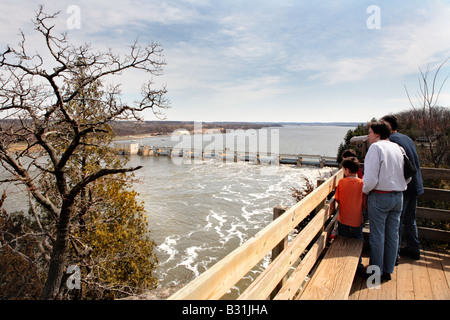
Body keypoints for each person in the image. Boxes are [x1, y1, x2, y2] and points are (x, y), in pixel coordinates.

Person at [362, 120, 409, 281]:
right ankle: (388, 270)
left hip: (380, 196)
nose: (368, 135)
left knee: (377, 236)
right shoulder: (398, 148)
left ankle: (375, 274)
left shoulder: (376, 148)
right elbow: (408, 174)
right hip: (398, 196)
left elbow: (370, 178)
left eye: (370, 132)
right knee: (392, 235)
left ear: (377, 134)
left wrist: (364, 190)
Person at [381, 115, 424, 260]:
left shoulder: (392, 141)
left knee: (396, 221)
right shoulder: (406, 138)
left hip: (404, 186)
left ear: (388, 126)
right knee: (410, 219)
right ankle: (414, 249)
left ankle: (395, 255)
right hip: (415, 184)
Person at [335, 157, 366, 241]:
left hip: (343, 217)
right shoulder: (362, 183)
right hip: (357, 217)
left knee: (342, 237)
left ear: (347, 170)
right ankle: (356, 253)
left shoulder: (341, 182)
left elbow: (337, 198)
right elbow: (364, 202)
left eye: (343, 170)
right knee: (357, 238)